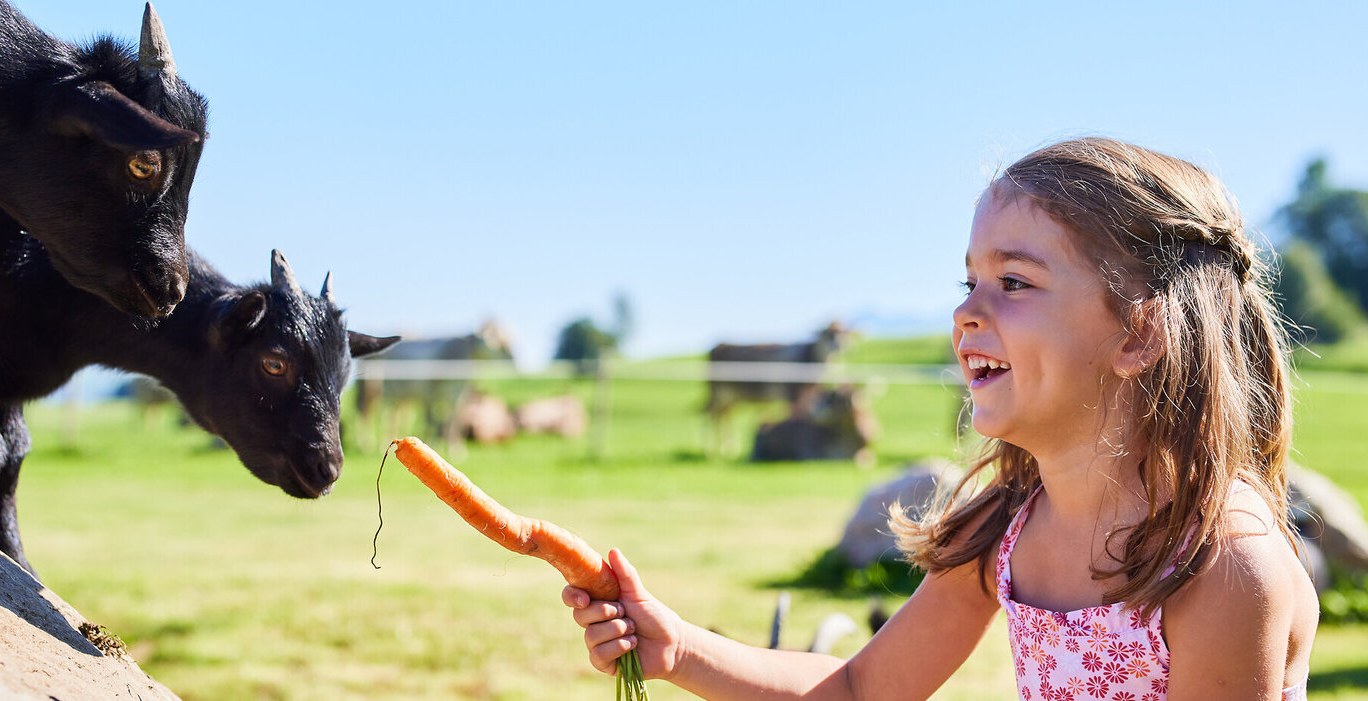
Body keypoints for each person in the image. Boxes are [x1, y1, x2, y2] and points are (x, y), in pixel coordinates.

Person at [563, 137, 1317, 700]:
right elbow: (861, 690)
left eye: (1013, 280)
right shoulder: (1009, 533)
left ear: (1139, 334)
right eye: (970, 279)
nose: (965, 312)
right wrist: (677, 648)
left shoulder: (1220, 564)